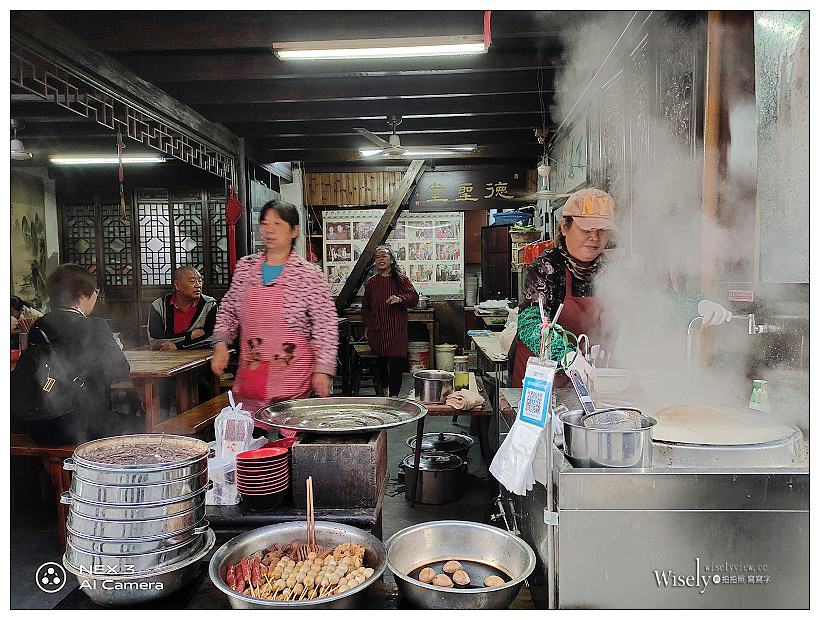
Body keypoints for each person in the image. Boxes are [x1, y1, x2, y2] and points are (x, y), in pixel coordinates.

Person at [511, 187, 732, 388]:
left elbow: (653, 300)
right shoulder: (546, 268)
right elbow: (529, 322)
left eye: (603, 230)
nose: (594, 237)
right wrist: (567, 355)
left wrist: (699, 304)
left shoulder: (610, 271)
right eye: (586, 228)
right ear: (565, 227)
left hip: (591, 384)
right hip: (541, 385)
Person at [210, 200, 338, 418]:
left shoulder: (309, 274)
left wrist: (323, 371)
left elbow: (325, 325)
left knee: (288, 441)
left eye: (277, 224)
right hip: (253, 374)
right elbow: (229, 309)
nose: (269, 229)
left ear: (294, 231)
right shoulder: (246, 267)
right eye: (264, 223)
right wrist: (220, 345)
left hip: (294, 376)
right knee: (249, 442)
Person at [11, 264, 131, 445]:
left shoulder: (39, 325)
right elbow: (119, 372)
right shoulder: (95, 326)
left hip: (40, 426)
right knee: (134, 423)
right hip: (82, 426)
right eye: (95, 291)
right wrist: (117, 350)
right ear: (83, 294)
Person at [361, 245, 419, 397]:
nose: (380, 259)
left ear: (392, 260)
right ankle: (384, 392)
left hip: (396, 329)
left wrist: (400, 298)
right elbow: (366, 307)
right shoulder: (371, 283)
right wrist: (368, 324)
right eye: (377, 257)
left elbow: (414, 298)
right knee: (380, 361)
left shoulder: (401, 279)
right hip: (378, 329)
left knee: (395, 363)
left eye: (384, 256)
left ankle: (394, 397)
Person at [147, 266, 219, 350]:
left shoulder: (209, 305)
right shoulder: (158, 306)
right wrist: (189, 336)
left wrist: (178, 346)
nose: (198, 285)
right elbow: (155, 341)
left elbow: (213, 338)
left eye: (200, 281)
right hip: (165, 358)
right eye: (192, 281)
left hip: (200, 357)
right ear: (177, 285)